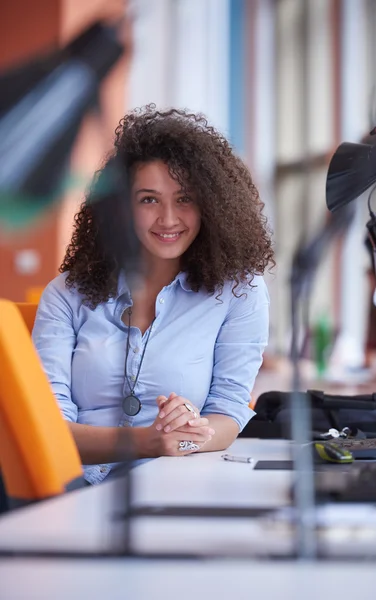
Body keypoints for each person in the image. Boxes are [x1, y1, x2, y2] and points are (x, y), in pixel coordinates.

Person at [32, 106, 274, 484]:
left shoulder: (240, 291)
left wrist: (187, 437)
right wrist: (148, 441)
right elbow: (49, 431)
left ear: (211, 206)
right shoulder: (66, 294)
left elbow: (228, 414)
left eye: (184, 199)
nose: (168, 219)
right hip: (75, 488)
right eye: (148, 199)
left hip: (179, 484)